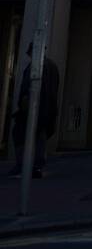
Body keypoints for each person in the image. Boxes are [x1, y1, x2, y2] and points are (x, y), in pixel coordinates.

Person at [10, 45, 59, 178]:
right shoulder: (53, 66)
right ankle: (37, 166)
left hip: (34, 108)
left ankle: (23, 165)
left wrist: (23, 105)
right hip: (47, 109)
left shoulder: (35, 66)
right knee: (40, 137)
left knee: (20, 134)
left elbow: (26, 90)